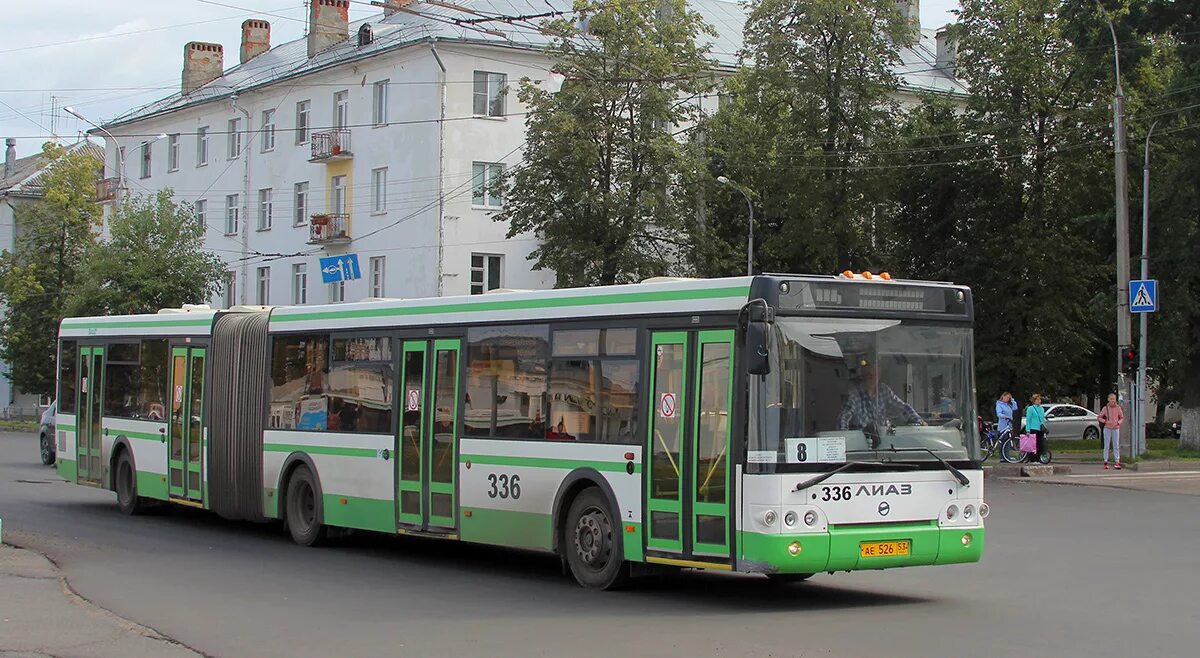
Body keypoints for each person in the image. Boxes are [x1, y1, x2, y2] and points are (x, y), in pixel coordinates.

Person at [837, 360, 924, 446]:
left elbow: (902, 408)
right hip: (862, 446)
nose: (873, 378)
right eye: (869, 375)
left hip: (883, 443)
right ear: (863, 376)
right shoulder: (854, 395)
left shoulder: (884, 390)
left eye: (876, 375)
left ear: (879, 376)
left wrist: (920, 422)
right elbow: (843, 420)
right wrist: (846, 441)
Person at [1098, 393, 1124, 470]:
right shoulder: (1105, 408)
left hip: (1116, 428)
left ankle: (1117, 461)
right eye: (1111, 399)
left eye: (1114, 399)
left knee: (1116, 445)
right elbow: (1099, 417)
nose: (1113, 401)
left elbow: (1122, 417)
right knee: (1106, 445)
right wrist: (1105, 421)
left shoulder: (1118, 408)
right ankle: (1105, 461)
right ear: (1108, 399)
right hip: (1107, 428)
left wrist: (1118, 422)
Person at [1024, 393, 1048, 462]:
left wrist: (1045, 427)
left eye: (1039, 399)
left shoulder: (1042, 409)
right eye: (1037, 400)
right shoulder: (1030, 408)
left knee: (1040, 444)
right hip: (1033, 428)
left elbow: (1042, 419)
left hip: (1040, 429)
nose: (1039, 401)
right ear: (1034, 401)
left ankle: (1038, 458)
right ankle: (1032, 459)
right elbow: (1028, 419)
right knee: (1033, 444)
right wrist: (1028, 430)